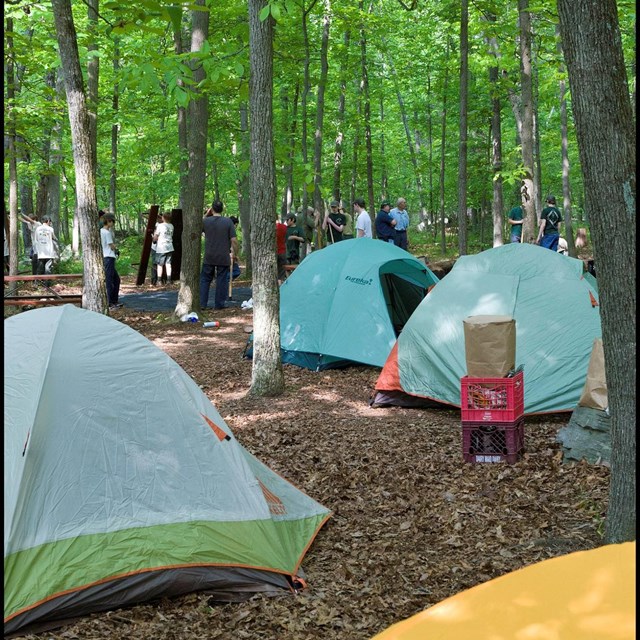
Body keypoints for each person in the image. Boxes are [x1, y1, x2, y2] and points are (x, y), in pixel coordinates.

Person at [200, 200, 238, 310]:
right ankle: (219, 304)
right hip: (223, 255)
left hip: (209, 255)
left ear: (212, 209)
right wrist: (235, 252)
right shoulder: (228, 222)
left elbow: (196, 228)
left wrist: (206, 214)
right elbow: (234, 240)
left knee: (205, 279)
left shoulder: (206, 221)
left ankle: (202, 303)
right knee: (221, 280)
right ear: (222, 209)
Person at [101, 213, 122, 308]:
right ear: (109, 221)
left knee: (115, 279)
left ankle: (114, 300)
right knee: (110, 280)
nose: (113, 224)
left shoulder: (100, 231)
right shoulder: (106, 232)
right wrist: (116, 250)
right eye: (112, 222)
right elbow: (111, 245)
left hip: (106, 257)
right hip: (108, 257)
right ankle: (110, 302)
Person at [153, 211, 174, 285]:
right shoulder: (171, 226)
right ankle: (168, 280)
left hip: (161, 247)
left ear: (163, 218)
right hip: (170, 247)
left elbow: (155, 237)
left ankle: (159, 281)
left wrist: (153, 238)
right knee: (168, 264)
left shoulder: (160, 226)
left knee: (160, 264)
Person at [276, 218, 288, 284]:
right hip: (282, 252)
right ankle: (280, 287)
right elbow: (286, 238)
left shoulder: (269, 228)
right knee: (281, 272)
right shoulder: (284, 227)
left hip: (273, 253)